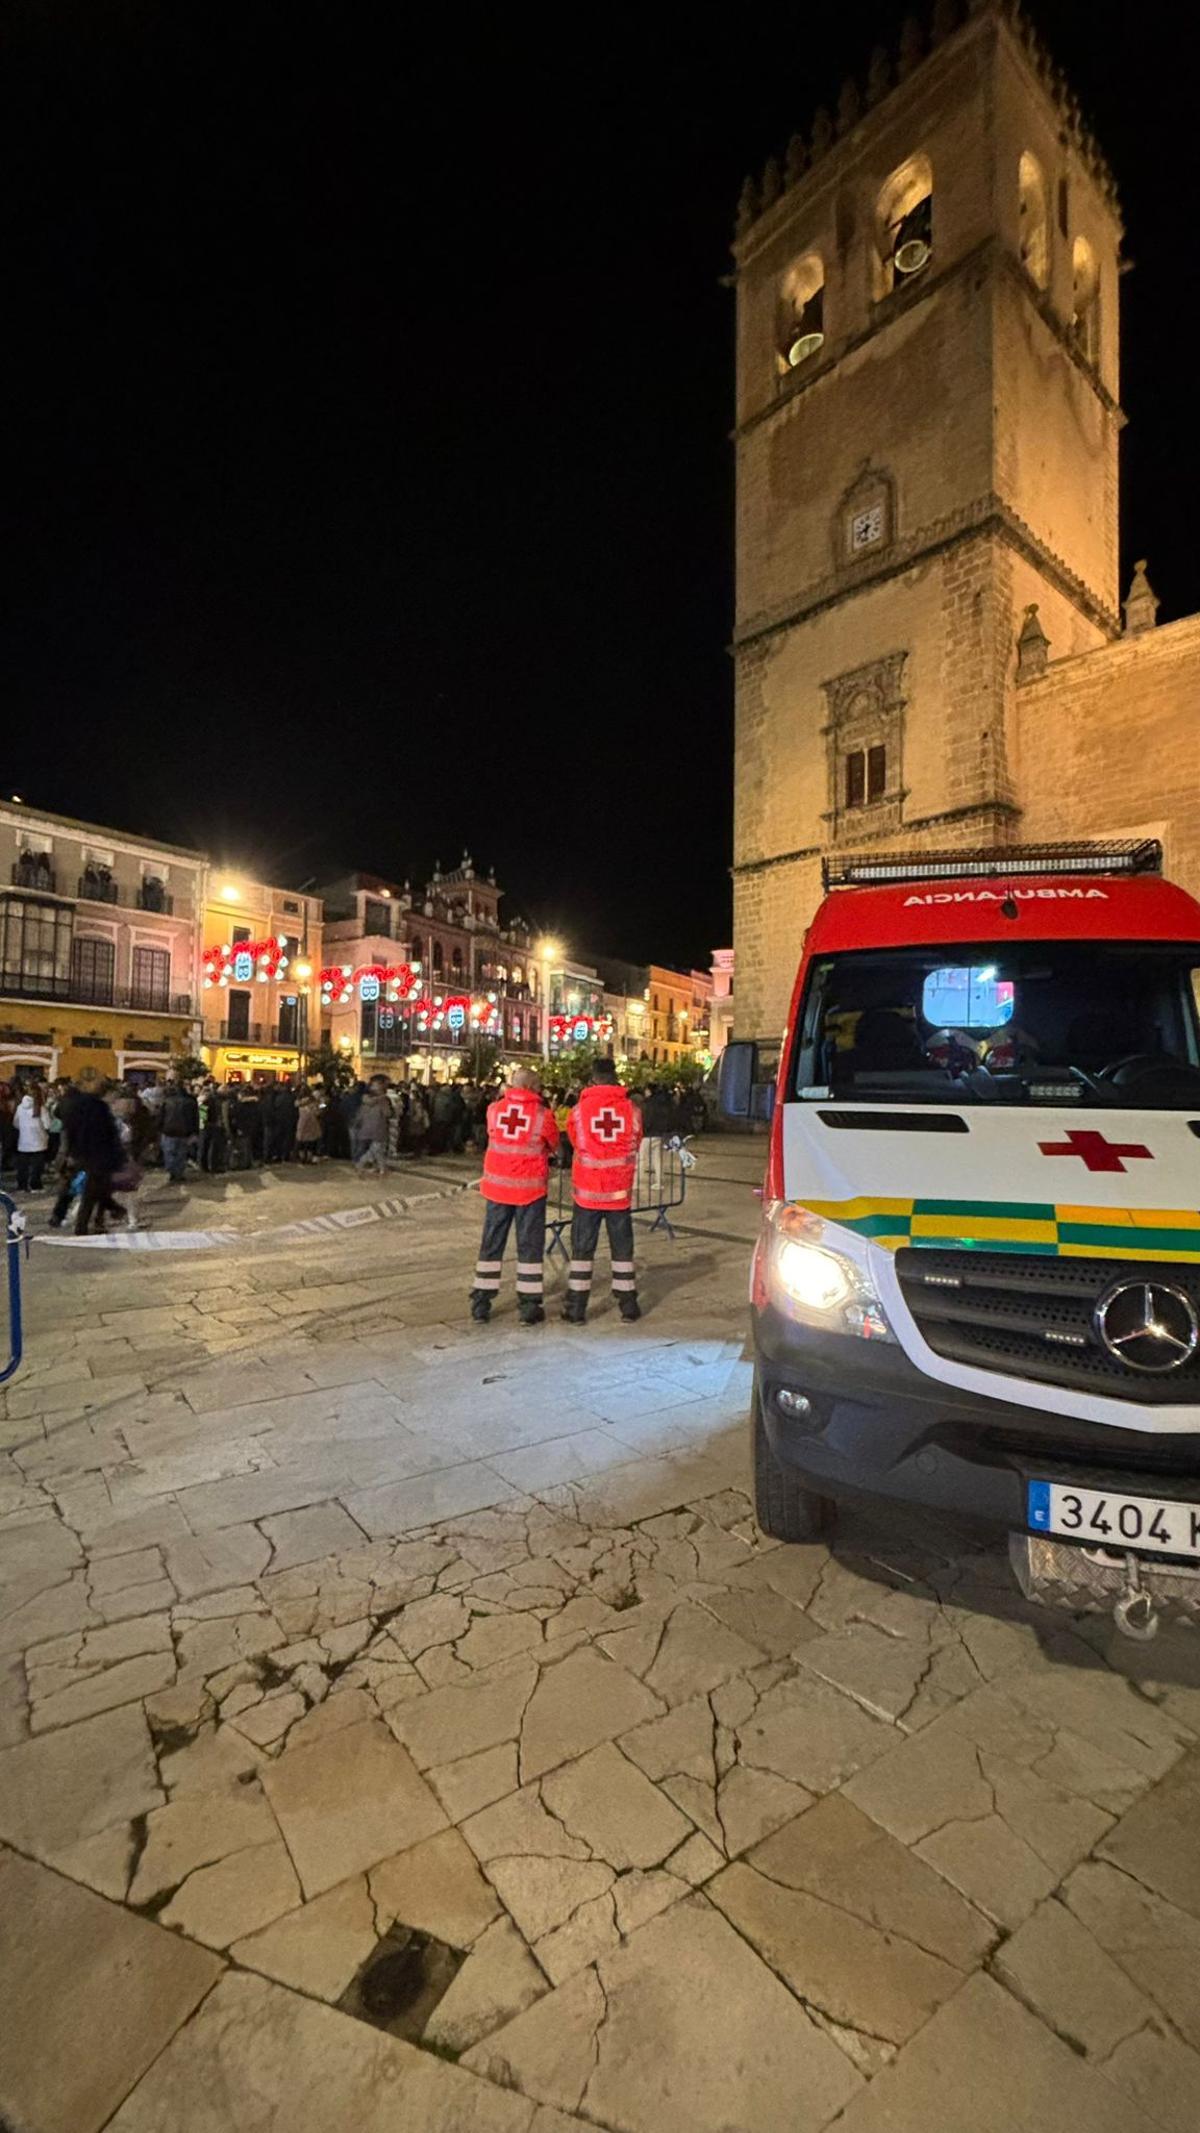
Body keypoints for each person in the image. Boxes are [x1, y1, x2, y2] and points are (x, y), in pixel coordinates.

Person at [469, 1064, 558, 1326]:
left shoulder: (494, 1110)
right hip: (529, 1191)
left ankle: (481, 1303)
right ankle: (529, 1306)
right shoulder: (543, 1115)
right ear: (532, 1087)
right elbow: (553, 1144)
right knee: (529, 1247)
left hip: (497, 1189)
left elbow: (493, 1136)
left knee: (491, 1243)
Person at [564, 1058, 643, 1324]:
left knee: (582, 1251)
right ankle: (628, 1305)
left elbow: (575, 1141)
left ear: (593, 1078)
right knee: (622, 1251)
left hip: (587, 1192)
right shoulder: (632, 1110)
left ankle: (576, 1309)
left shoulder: (578, 1111)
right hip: (619, 1194)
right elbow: (636, 1140)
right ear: (614, 1077)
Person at [70, 1069, 127, 1235]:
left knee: (98, 1190)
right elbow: (108, 1134)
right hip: (99, 1157)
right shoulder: (99, 1108)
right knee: (94, 1192)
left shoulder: (87, 1107)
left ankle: (99, 1220)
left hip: (92, 1156)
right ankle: (93, 1221)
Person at [160, 1071, 200, 1183]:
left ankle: (172, 1172)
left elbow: (161, 1116)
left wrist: (159, 1128)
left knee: (169, 1153)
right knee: (181, 1154)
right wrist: (195, 1132)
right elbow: (195, 1118)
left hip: (168, 1130)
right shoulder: (191, 1101)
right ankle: (179, 1174)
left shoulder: (167, 1100)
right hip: (184, 1132)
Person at [14, 1081, 50, 1191]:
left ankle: (22, 1186)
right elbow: (47, 1124)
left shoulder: (20, 1107)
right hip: (38, 1140)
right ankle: (36, 1186)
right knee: (37, 1166)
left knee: (23, 1166)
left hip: (24, 1141)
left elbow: (15, 1123)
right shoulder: (40, 1108)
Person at [355, 1076, 391, 1176]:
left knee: (377, 1150)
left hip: (366, 1127)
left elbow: (361, 1113)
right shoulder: (383, 1100)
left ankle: (381, 1168)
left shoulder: (364, 1099)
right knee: (376, 1149)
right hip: (379, 1128)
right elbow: (387, 1113)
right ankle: (361, 1163)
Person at [295, 1084, 322, 1162]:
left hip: (302, 1122)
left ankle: (301, 1157)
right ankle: (309, 1157)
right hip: (312, 1121)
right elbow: (317, 1111)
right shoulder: (313, 1101)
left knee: (301, 1140)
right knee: (311, 1141)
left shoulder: (298, 1101)